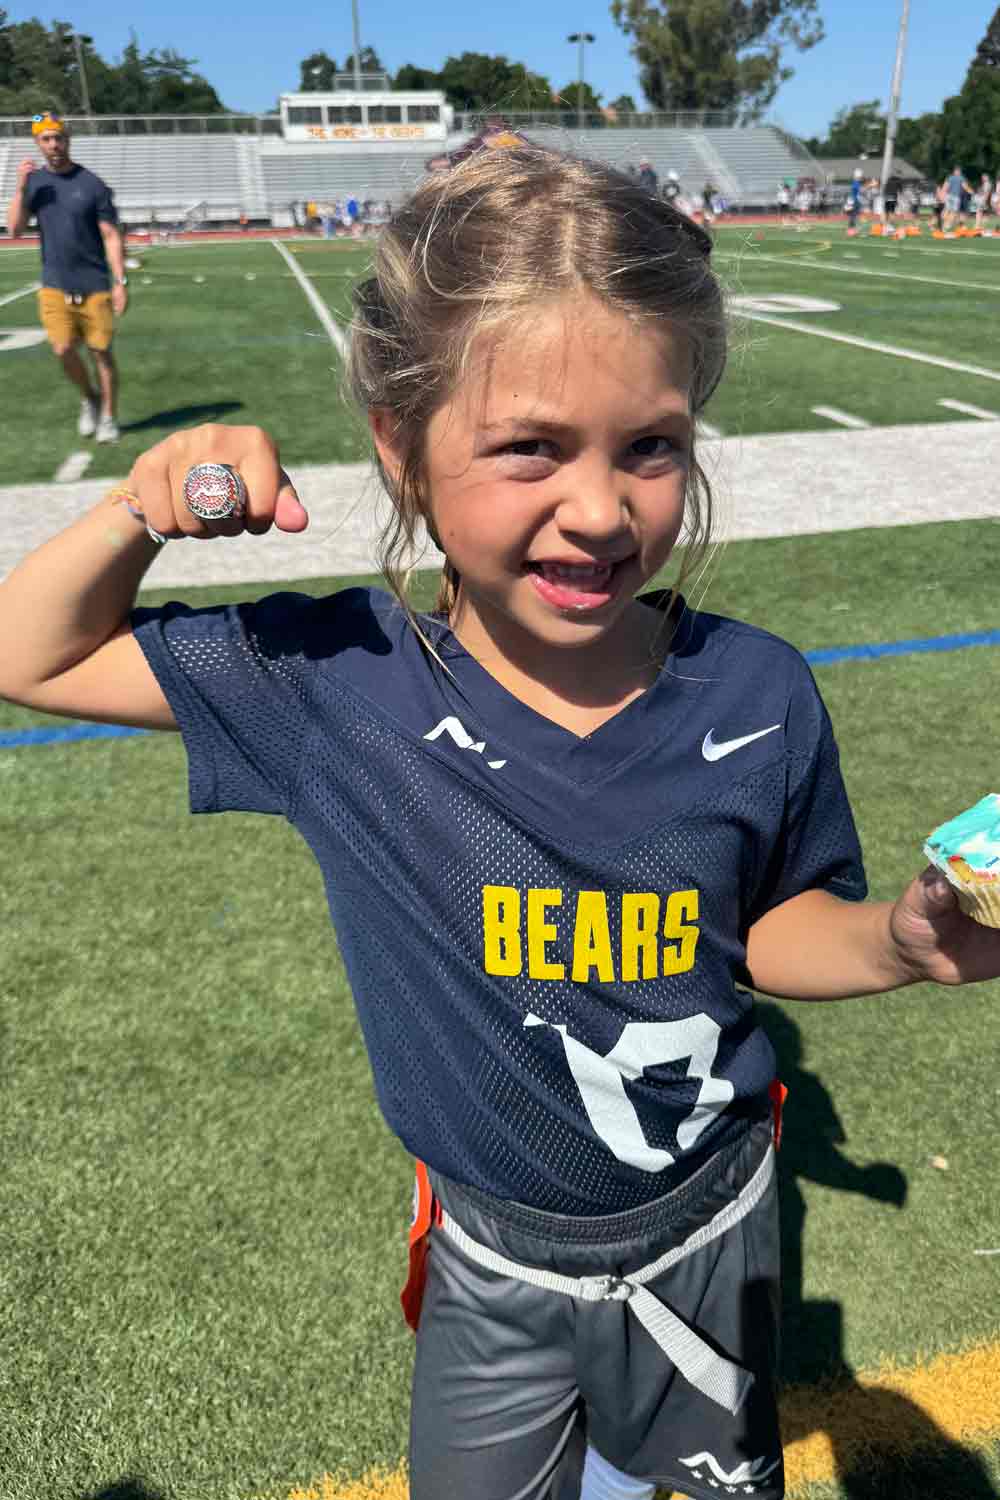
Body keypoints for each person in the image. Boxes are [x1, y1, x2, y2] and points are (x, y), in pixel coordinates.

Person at [3, 148, 999, 1500]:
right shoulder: (333, 680)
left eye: (649, 446)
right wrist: (140, 507)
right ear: (400, 450)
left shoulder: (756, 691)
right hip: (494, 1260)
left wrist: (897, 941)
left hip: (708, 1240)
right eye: (530, 447)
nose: (598, 508)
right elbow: (34, 658)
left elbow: (765, 933)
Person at [5, 110, 127, 443]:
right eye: (46, 139)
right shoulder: (35, 184)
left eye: (59, 138)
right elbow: (14, 229)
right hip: (55, 283)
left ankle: (109, 417)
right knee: (62, 349)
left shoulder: (92, 184)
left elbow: (111, 235)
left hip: (94, 284)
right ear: (38, 143)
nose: (54, 144)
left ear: (67, 140)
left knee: (101, 352)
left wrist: (120, 282)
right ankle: (90, 397)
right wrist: (19, 187)